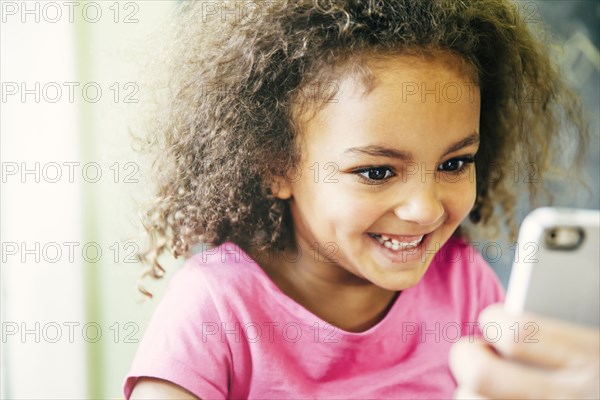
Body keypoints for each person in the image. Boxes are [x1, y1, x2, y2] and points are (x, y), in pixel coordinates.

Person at [124, 0, 597, 399]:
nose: (426, 209)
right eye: (376, 172)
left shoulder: (463, 284)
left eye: (454, 164)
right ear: (275, 167)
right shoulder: (215, 305)